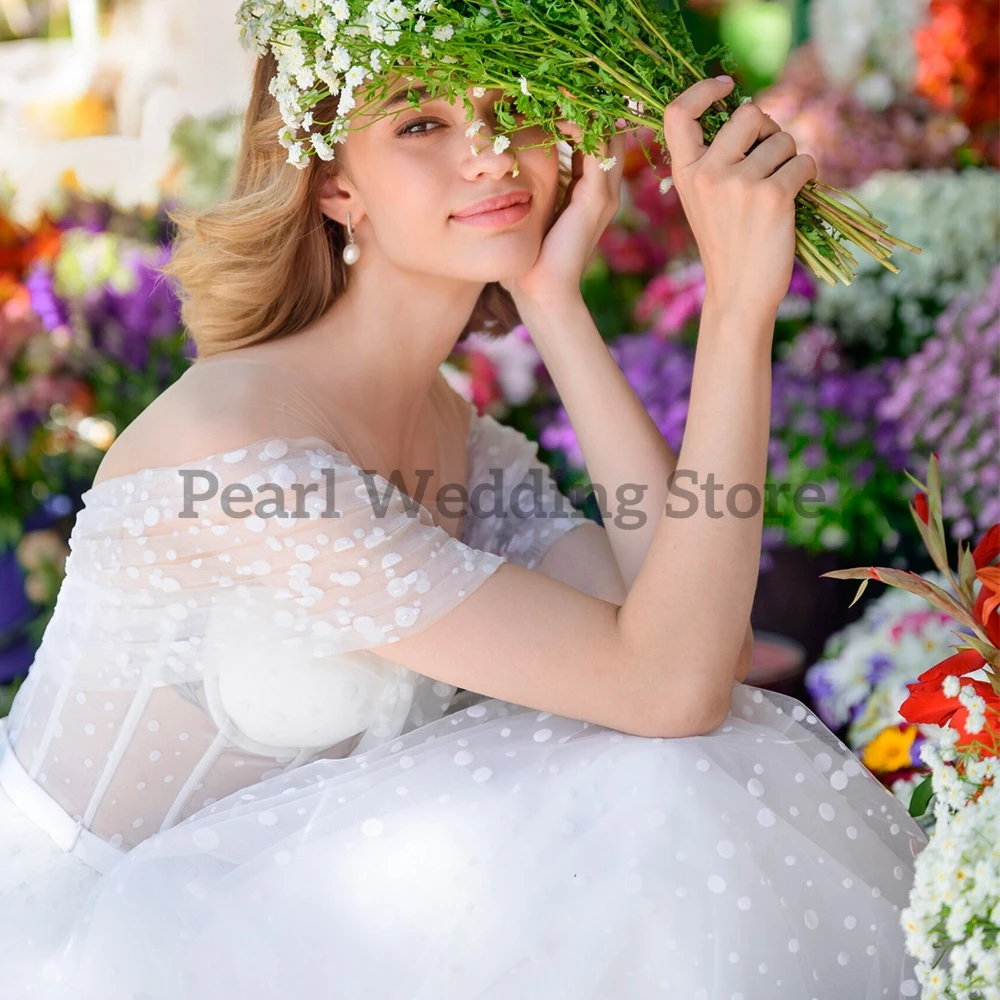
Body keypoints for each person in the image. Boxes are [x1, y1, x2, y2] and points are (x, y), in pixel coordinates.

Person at [0, 40, 925, 1000]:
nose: (489, 151)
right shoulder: (240, 452)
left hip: (273, 931)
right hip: (86, 948)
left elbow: (704, 643)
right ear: (332, 187)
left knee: (678, 771)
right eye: (421, 124)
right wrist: (736, 307)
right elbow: (670, 688)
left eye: (514, 106)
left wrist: (554, 304)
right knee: (659, 783)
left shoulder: (453, 430)